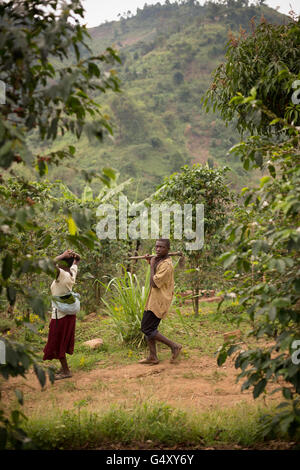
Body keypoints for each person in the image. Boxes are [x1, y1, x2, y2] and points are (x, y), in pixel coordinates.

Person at [139, 239, 182, 365]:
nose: (157, 249)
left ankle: (174, 346)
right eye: (156, 247)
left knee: (146, 328)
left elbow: (154, 283)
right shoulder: (161, 261)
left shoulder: (167, 265)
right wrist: (150, 261)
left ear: (167, 249)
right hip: (153, 299)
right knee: (150, 328)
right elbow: (157, 271)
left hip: (159, 300)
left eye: (161, 247)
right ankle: (153, 356)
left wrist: (152, 265)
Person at [43, 249, 81, 380]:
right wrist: (74, 258)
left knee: (57, 341)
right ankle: (63, 368)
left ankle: (66, 371)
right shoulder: (71, 273)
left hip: (60, 316)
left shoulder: (61, 275)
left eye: (60, 262)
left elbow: (48, 263)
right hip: (68, 315)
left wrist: (63, 255)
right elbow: (77, 262)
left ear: (63, 264)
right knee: (62, 340)